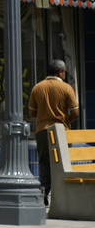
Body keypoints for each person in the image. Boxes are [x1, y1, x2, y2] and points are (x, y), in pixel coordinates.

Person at [28, 59, 79, 206]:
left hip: (42, 130)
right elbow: (75, 112)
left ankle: (44, 190)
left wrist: (44, 116)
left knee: (44, 162)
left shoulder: (37, 88)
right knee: (62, 163)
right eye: (65, 72)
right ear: (60, 71)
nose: (65, 75)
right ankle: (61, 194)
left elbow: (31, 113)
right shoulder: (66, 88)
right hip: (61, 131)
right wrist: (66, 120)